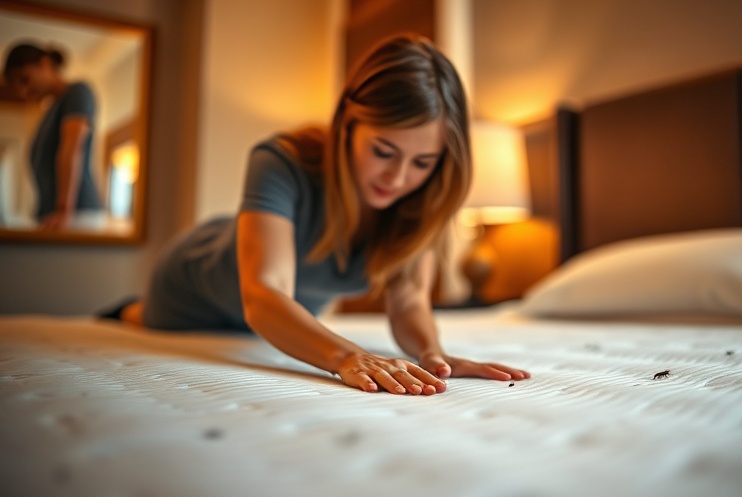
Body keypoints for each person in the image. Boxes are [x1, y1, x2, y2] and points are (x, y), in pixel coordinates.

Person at [101, 34, 530, 395]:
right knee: (146, 318)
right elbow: (265, 292)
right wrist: (346, 355)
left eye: (422, 162)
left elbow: (409, 299)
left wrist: (432, 354)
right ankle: (121, 309)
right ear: (347, 124)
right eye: (384, 151)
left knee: (250, 332)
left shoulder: (418, 205)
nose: (398, 178)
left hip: (275, 317)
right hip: (196, 283)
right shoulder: (282, 161)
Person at [3, 42, 102, 229]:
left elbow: (72, 147)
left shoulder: (77, 92)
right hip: (53, 215)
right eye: (19, 86)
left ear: (45, 64)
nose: (24, 91)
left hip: (76, 215)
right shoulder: (50, 111)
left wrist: (64, 210)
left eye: (25, 79)